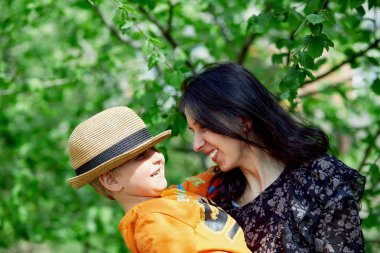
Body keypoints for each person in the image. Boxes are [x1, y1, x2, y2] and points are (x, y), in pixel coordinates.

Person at [178, 62, 366, 252]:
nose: (196, 145)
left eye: (204, 127)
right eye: (193, 131)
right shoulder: (216, 203)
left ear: (242, 119)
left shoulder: (318, 180)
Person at [66, 106, 250, 253]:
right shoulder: (151, 224)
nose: (158, 157)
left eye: (154, 149)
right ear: (112, 180)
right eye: (141, 156)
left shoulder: (175, 194)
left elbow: (212, 176)